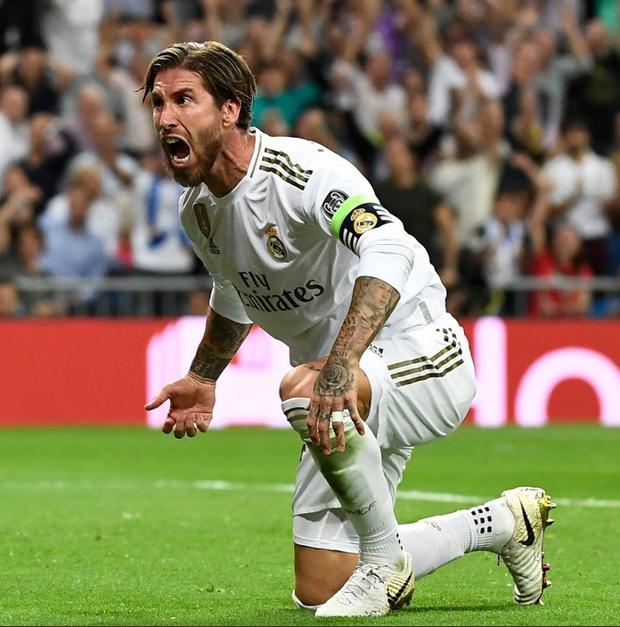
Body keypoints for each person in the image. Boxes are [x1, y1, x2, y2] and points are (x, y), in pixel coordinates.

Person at [142, 41, 555, 618]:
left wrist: (341, 364)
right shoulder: (198, 210)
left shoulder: (300, 172)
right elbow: (234, 290)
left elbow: (390, 244)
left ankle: (385, 561)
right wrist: (202, 376)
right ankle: (504, 524)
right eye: (157, 103)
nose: (165, 118)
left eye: (184, 99)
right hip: (338, 395)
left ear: (230, 109)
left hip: (420, 353)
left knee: (300, 388)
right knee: (321, 586)